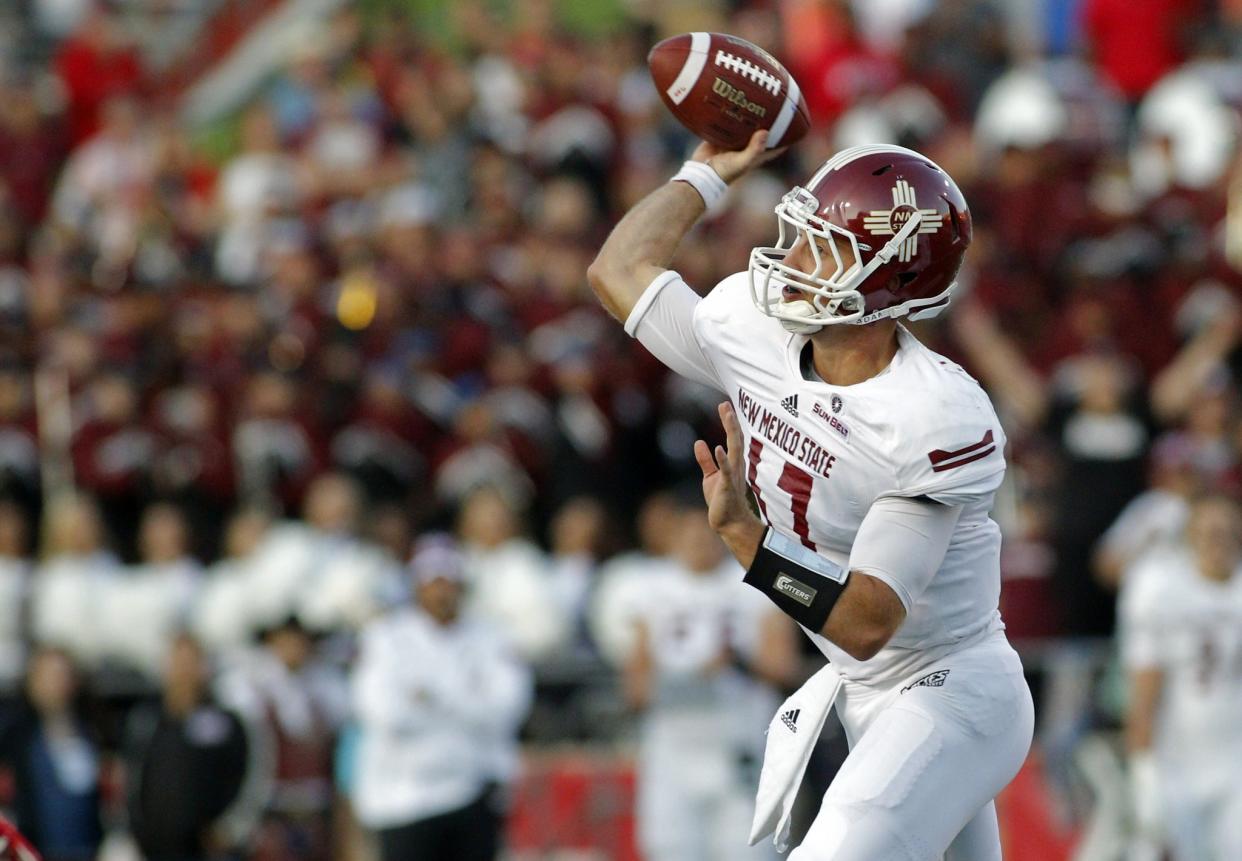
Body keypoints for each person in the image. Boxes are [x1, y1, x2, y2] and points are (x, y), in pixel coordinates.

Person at [588, 130, 1034, 859]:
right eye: (798, 237)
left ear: (891, 277)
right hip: (855, 692)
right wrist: (701, 175)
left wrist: (745, 540)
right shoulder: (753, 330)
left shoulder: (930, 416)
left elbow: (865, 619)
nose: (790, 261)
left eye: (821, 248)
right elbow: (619, 269)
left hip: (951, 687)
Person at [624, 492, 798, 861]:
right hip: (674, 745)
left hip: (739, 742)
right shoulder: (650, 588)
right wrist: (685, 679)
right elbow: (635, 688)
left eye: (707, 532)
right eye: (688, 532)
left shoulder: (755, 583)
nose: (699, 541)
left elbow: (785, 669)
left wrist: (735, 663)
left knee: (745, 852)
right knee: (671, 849)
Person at [351, 534, 532, 861]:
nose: (441, 591)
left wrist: (430, 697)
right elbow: (385, 713)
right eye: (432, 581)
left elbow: (508, 707)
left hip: (473, 792)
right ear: (416, 585)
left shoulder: (492, 636)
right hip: (403, 799)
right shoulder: (386, 638)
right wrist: (467, 700)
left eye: (448, 581)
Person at [1119, 493, 1242, 861]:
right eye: (1208, 533)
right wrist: (1144, 773)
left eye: (1226, 533)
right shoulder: (1163, 591)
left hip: (1235, 763)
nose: (1217, 542)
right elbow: (1144, 692)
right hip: (1177, 763)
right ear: (1190, 536)